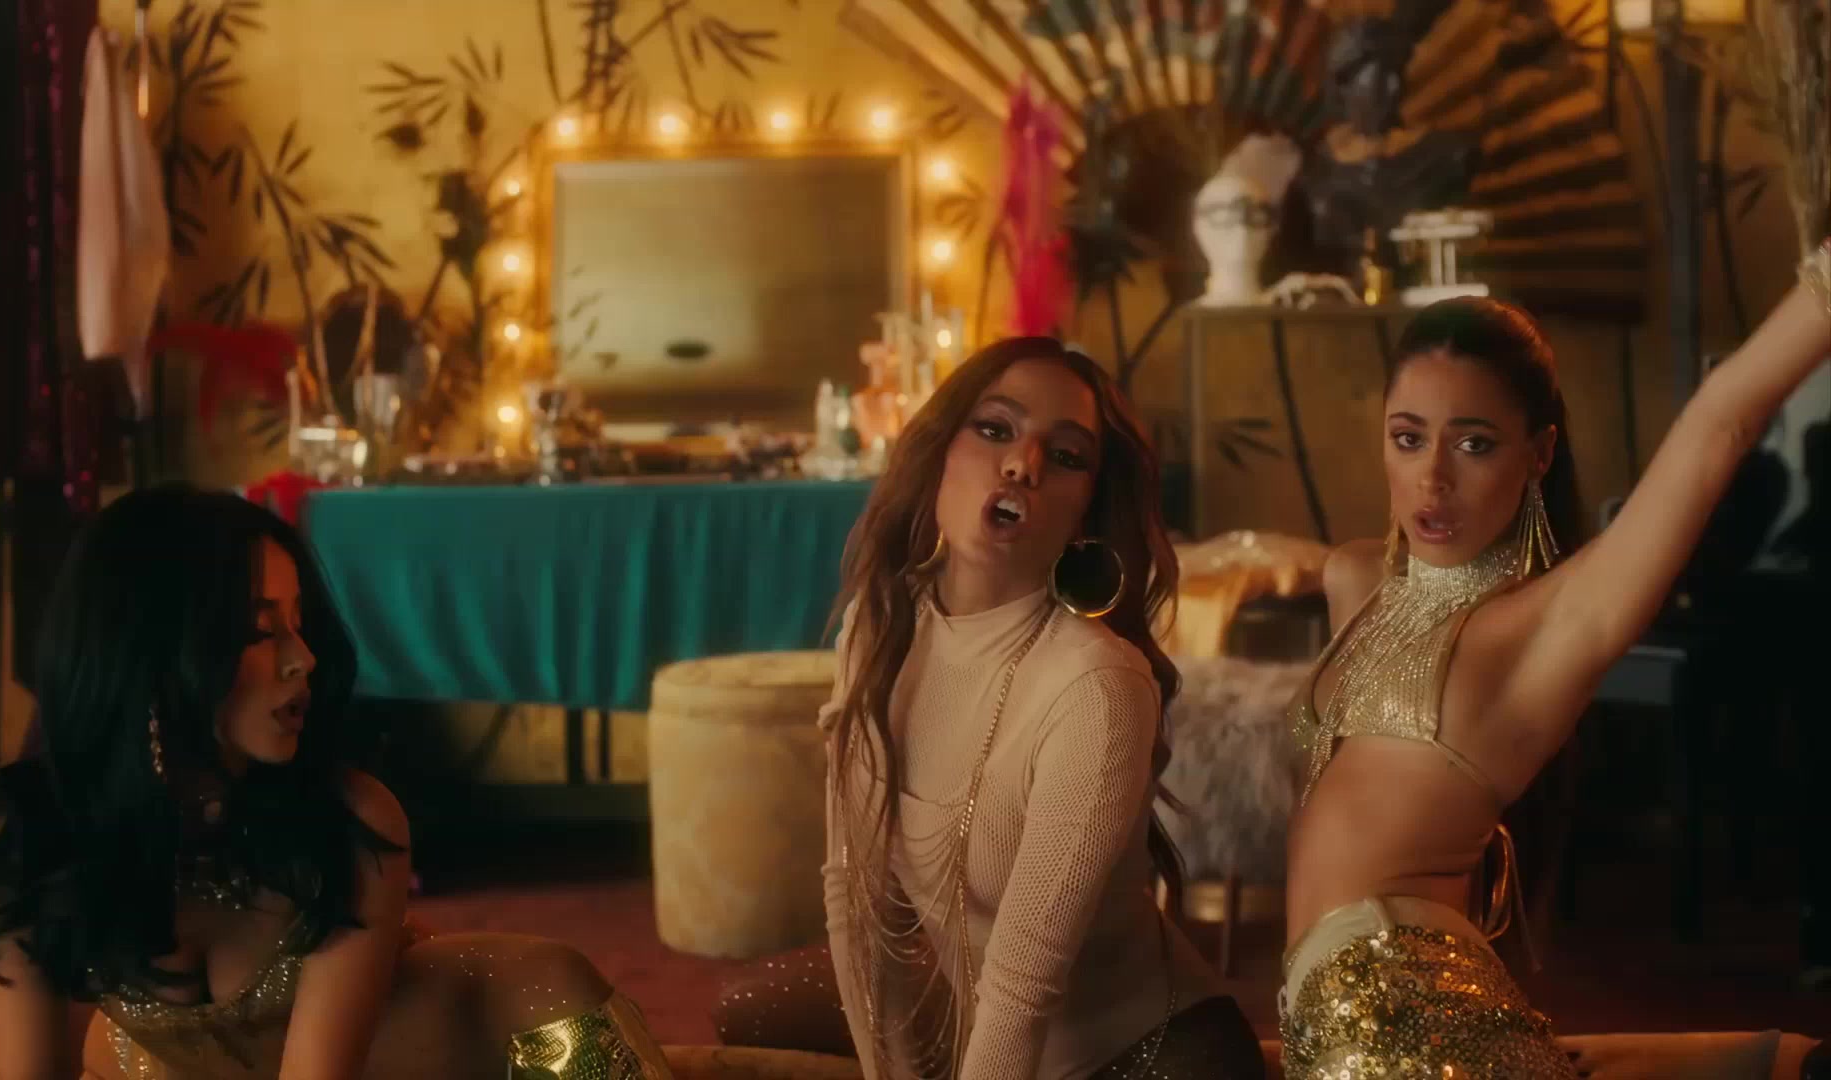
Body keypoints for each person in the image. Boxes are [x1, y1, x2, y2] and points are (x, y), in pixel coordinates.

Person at [1281, 244, 1831, 1078]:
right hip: (1345, 1026)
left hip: (1404, 1041)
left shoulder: (1543, 630)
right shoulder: (1354, 580)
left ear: (1538, 454)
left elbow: (1719, 423)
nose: (1432, 478)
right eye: (1408, 438)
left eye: (1474, 445)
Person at [0, 486, 672, 1079]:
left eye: (299, 625)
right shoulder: (19, 845)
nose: (303, 658)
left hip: (506, 1041)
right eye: (262, 630)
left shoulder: (351, 824)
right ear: (150, 652)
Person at [720, 337, 1264, 1078]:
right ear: (940, 451)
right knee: (752, 1010)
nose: (1022, 465)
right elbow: (855, 899)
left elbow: (1021, 990)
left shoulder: (1096, 686)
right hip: (967, 1012)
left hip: (1140, 1055)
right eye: (995, 429)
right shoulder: (881, 624)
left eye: (1065, 456)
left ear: (1085, 512)